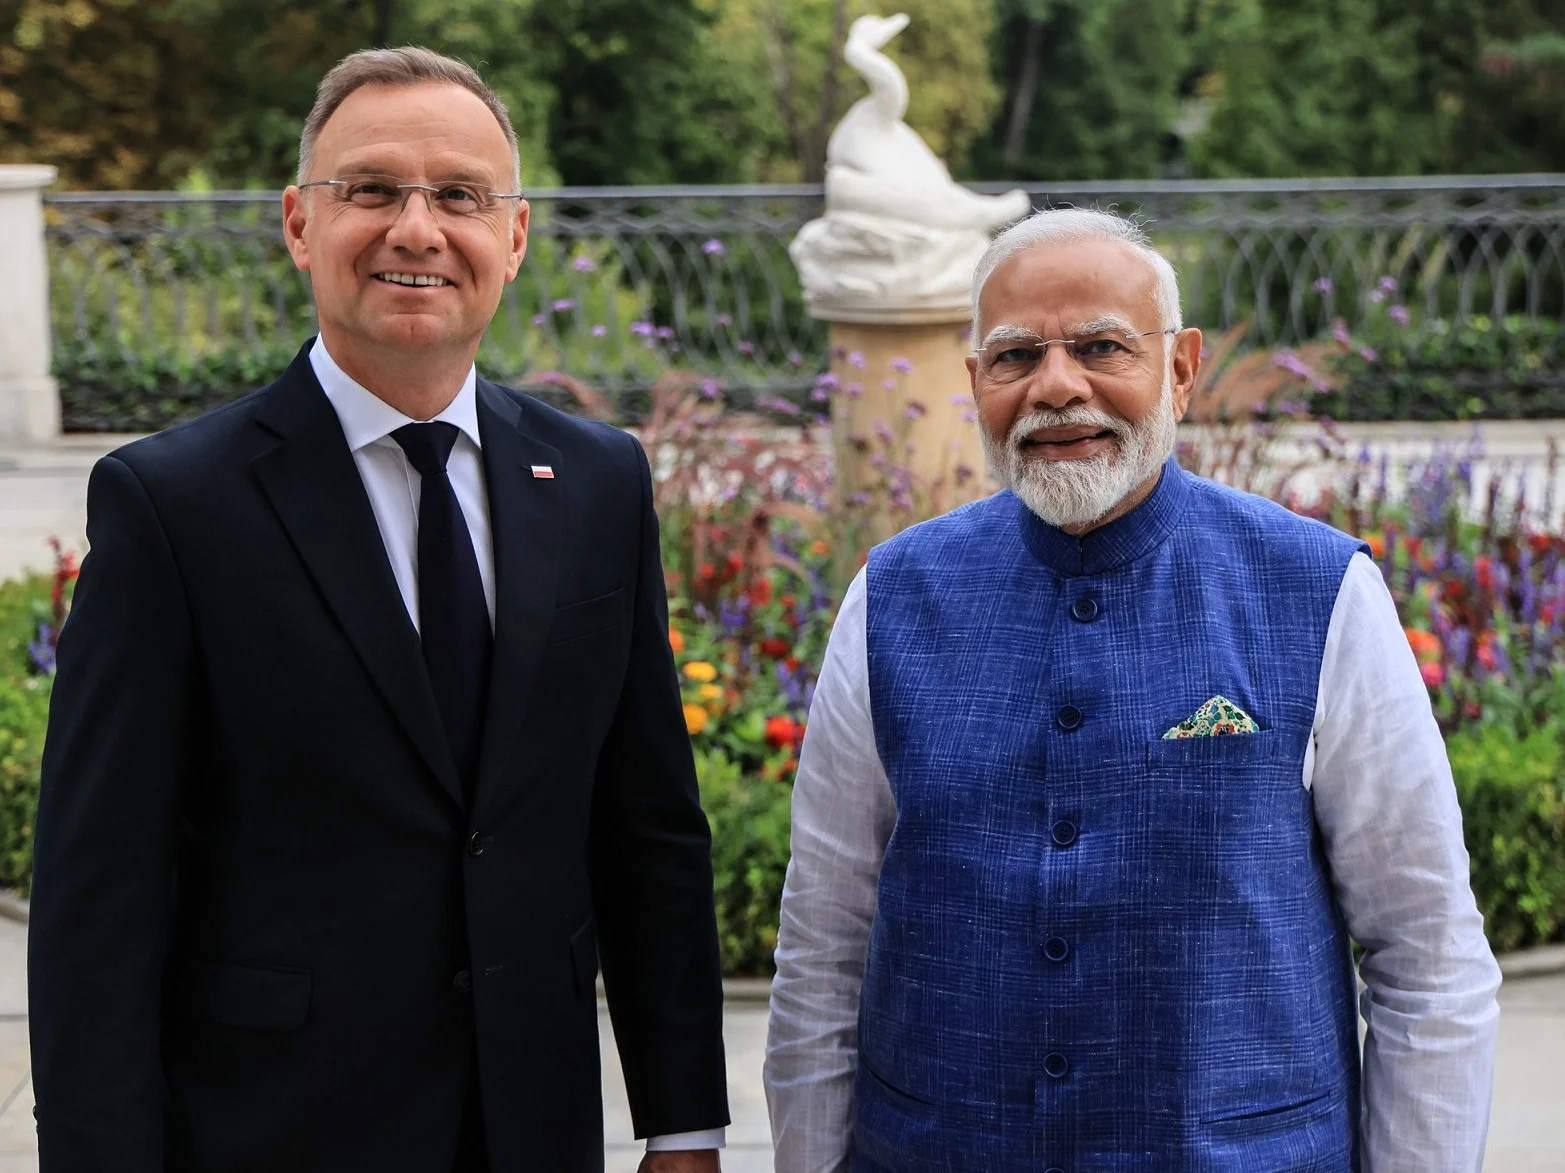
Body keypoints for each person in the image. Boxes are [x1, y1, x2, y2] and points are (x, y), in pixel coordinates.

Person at [29, 47, 728, 1173]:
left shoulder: (597, 483)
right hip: (269, 1133)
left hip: (531, 1131)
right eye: (372, 190)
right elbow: (97, 893)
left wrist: (683, 1121)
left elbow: (645, 826)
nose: (416, 227)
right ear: (301, 225)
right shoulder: (174, 506)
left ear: (514, 236)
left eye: (459, 195)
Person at [764, 207, 1501, 1172]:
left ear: (1181, 369)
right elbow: (822, 954)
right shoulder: (892, 598)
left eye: (1101, 346)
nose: (1056, 386)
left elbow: (1429, 958)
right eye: (1014, 356)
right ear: (974, 382)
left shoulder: (1316, 592)